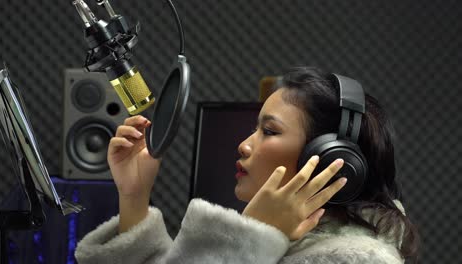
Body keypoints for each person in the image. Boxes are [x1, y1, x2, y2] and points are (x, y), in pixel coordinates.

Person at [74, 66, 419, 263]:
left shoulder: (354, 260)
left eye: (269, 131)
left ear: (333, 159)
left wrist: (248, 237)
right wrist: (135, 197)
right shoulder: (290, 243)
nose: (244, 144)